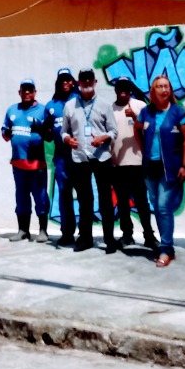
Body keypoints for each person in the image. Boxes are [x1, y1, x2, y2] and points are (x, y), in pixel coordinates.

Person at [134, 75, 185, 268]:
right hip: (151, 167)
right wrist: (144, 151)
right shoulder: (145, 112)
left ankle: (166, 248)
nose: (164, 89)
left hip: (171, 168)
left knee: (164, 206)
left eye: (167, 86)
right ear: (153, 91)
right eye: (160, 86)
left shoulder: (179, 113)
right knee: (157, 208)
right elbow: (137, 130)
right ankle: (166, 245)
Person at [61, 69, 118, 252]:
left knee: (105, 199)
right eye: (83, 80)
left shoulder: (104, 105)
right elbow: (64, 131)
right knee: (85, 200)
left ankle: (109, 239)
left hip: (101, 156)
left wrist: (103, 138)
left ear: (95, 82)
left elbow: (113, 131)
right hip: (79, 157)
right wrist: (67, 139)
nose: (86, 83)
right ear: (78, 83)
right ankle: (85, 238)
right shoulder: (70, 106)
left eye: (89, 80)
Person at [108, 78, 157, 250]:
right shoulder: (110, 109)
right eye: (120, 88)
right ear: (115, 90)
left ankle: (149, 236)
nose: (123, 91)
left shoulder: (140, 106)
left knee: (142, 202)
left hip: (137, 163)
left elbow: (150, 129)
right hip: (117, 163)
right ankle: (127, 234)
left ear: (130, 90)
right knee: (122, 202)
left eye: (126, 88)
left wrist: (136, 118)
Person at [1, 78, 50, 242]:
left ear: (35, 92)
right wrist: (7, 133)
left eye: (30, 90)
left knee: (41, 197)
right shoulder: (12, 110)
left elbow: (50, 135)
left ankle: (43, 231)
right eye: (24, 90)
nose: (27, 92)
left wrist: (42, 130)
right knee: (21, 197)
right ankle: (23, 230)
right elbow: (5, 134)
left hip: (37, 164)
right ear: (19, 92)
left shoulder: (43, 110)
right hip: (18, 164)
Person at [43, 67, 79, 247]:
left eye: (68, 79)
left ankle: (85, 234)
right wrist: (43, 130)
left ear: (73, 82)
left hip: (80, 157)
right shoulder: (51, 105)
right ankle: (67, 233)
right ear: (58, 83)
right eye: (62, 80)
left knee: (84, 195)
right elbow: (48, 134)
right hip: (61, 157)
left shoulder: (80, 100)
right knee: (64, 196)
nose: (65, 83)